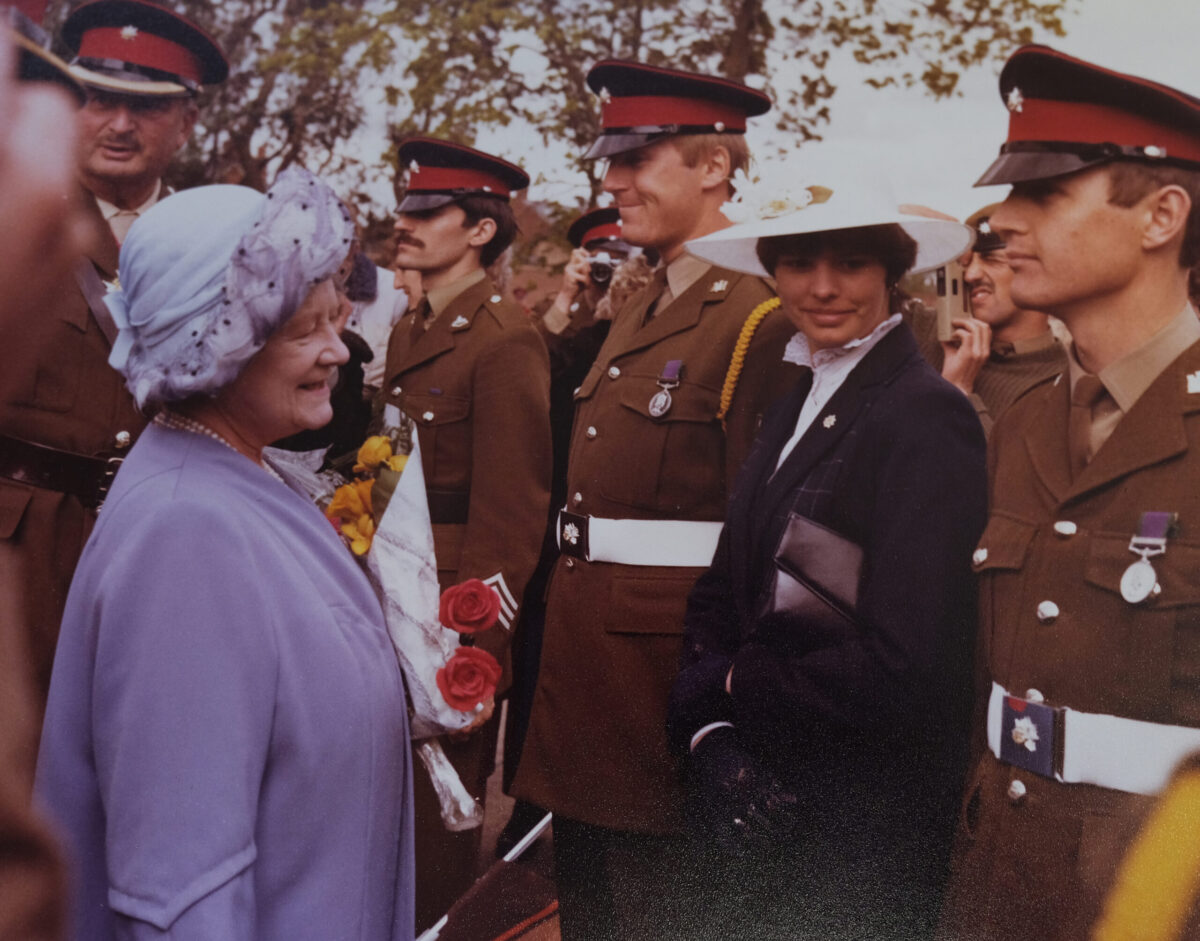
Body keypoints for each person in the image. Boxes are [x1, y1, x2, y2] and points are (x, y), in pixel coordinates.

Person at [35, 169, 415, 941]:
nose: (338, 351)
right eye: (305, 329)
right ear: (215, 342)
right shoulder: (186, 534)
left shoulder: (236, 474)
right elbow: (178, 890)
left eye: (335, 321)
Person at [511, 60, 802, 939]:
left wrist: (730, 716)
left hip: (663, 699)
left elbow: (771, 543)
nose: (612, 180)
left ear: (713, 167)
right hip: (589, 687)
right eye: (612, 157)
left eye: (638, 158)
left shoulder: (758, 314)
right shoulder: (645, 302)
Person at [665, 173, 984, 939]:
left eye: (851, 264)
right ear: (772, 274)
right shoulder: (792, 399)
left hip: (858, 813)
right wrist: (708, 725)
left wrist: (737, 684)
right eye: (801, 264)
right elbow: (726, 581)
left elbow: (907, 656)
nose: (824, 287)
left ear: (891, 275)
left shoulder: (924, 412)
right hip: (765, 787)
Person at [937, 46, 1200, 940]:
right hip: (995, 878)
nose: (1002, 223)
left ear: (1162, 215)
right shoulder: (1025, 418)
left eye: (1044, 195)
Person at [0, 0, 228, 718]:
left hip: (157, 553)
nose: (119, 125)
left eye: (146, 106)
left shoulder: (217, 243)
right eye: (100, 98)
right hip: (19, 543)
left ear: (188, 122)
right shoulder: (17, 210)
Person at [380, 137, 551, 932]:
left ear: (480, 230)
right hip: (389, 600)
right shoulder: (416, 326)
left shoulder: (503, 337)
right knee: (382, 822)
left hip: (446, 626)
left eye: (426, 211)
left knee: (439, 837)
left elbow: (512, 512)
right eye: (405, 206)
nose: (403, 223)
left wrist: (472, 649)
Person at [498, 206, 643, 854]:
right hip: (556, 543)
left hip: (619, 556)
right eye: (601, 264)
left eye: (624, 262)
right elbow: (538, 378)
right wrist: (567, 305)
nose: (615, 278)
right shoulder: (573, 341)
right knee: (540, 682)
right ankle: (530, 812)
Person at [0, 8, 93, 937]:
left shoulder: (189, 228)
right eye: (99, 96)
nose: (116, 124)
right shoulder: (34, 202)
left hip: (120, 536)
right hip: (22, 525)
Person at [911, 205, 1067, 435]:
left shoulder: (1060, 382)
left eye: (992, 260)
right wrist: (929, 224)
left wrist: (957, 395)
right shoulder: (925, 330)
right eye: (965, 264)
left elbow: (999, 470)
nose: (971, 275)